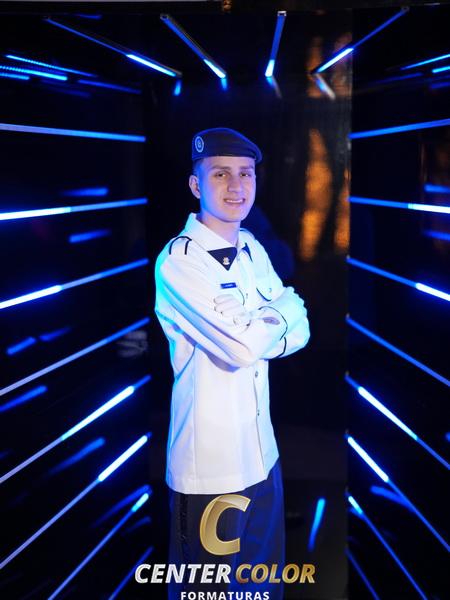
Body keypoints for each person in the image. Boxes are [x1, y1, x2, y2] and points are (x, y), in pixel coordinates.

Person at [154, 127, 310, 599]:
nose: (237, 185)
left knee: (261, 587)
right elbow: (242, 348)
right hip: (211, 468)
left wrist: (264, 325)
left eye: (246, 173)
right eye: (221, 174)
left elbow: (302, 327)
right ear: (196, 185)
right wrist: (279, 312)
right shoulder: (179, 261)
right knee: (206, 592)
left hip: (262, 456)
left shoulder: (252, 248)